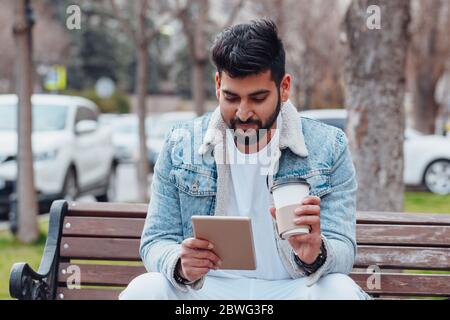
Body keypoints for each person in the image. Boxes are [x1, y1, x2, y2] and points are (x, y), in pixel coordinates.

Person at [119, 19, 371, 300]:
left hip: (293, 289)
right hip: (206, 291)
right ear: (217, 85)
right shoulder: (182, 143)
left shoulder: (328, 146)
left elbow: (344, 249)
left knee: (340, 292)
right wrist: (180, 264)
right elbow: (155, 240)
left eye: (257, 98)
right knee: (144, 289)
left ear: (284, 88)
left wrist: (316, 253)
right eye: (231, 97)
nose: (243, 112)